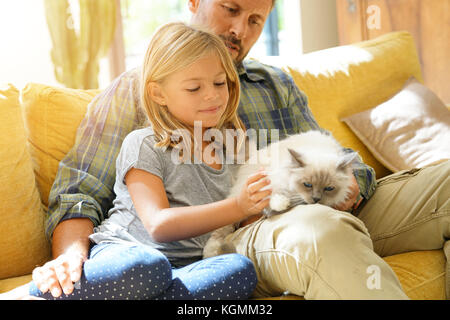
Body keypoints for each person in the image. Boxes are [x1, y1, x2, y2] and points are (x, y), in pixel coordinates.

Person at [8, 0, 449, 299]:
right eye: (231, 8)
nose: (240, 29)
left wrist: (352, 182)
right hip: (251, 225)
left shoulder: (274, 84)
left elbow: (331, 154)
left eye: (256, 19)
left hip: (324, 197)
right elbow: (79, 191)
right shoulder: (138, 91)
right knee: (319, 229)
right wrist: (69, 261)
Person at [4, 22, 264, 300]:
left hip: (182, 270)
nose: (212, 94)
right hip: (124, 255)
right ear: (158, 93)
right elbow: (159, 224)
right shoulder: (144, 144)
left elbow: (251, 223)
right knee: (149, 267)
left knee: (240, 270)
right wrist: (237, 206)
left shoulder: (235, 149)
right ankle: (30, 295)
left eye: (219, 82)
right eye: (193, 88)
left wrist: (257, 208)